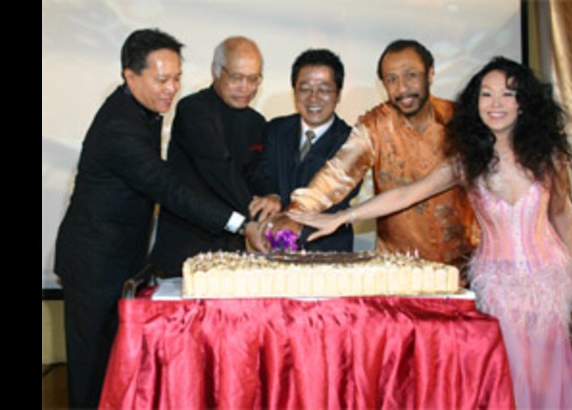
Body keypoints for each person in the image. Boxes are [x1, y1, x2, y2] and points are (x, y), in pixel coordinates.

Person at [290, 56, 572, 408]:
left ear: (524, 103)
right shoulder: (468, 161)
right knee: (505, 378)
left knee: (545, 380)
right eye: (486, 95)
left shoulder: (548, 157)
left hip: (546, 283)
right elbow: (405, 194)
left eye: (507, 95)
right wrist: (342, 216)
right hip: (497, 289)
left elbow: (561, 216)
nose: (495, 104)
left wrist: (570, 268)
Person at [54, 29, 265, 408]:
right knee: (91, 373)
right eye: (162, 79)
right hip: (94, 263)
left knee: (115, 368)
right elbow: (169, 188)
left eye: (178, 78)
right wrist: (241, 223)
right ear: (129, 75)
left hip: (120, 259)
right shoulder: (120, 126)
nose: (172, 88)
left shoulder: (142, 110)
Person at [265, 39, 476, 266]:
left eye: (411, 75)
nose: (402, 88)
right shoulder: (374, 125)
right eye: (391, 79)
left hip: (466, 266)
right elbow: (336, 174)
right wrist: (294, 214)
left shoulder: (464, 120)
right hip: (397, 268)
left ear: (431, 74)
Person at [149, 36, 267, 276]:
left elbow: (258, 176)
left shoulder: (257, 123)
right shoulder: (193, 109)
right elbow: (218, 168)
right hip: (187, 249)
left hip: (232, 254)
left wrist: (271, 199)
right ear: (216, 71)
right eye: (236, 77)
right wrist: (258, 222)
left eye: (253, 79)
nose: (245, 87)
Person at [247, 48, 361, 251]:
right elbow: (259, 173)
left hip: (326, 252)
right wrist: (272, 194)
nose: (313, 98)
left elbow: (336, 197)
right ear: (294, 91)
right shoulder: (275, 129)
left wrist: (292, 218)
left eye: (324, 89)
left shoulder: (353, 141)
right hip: (272, 251)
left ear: (338, 94)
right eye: (305, 88)